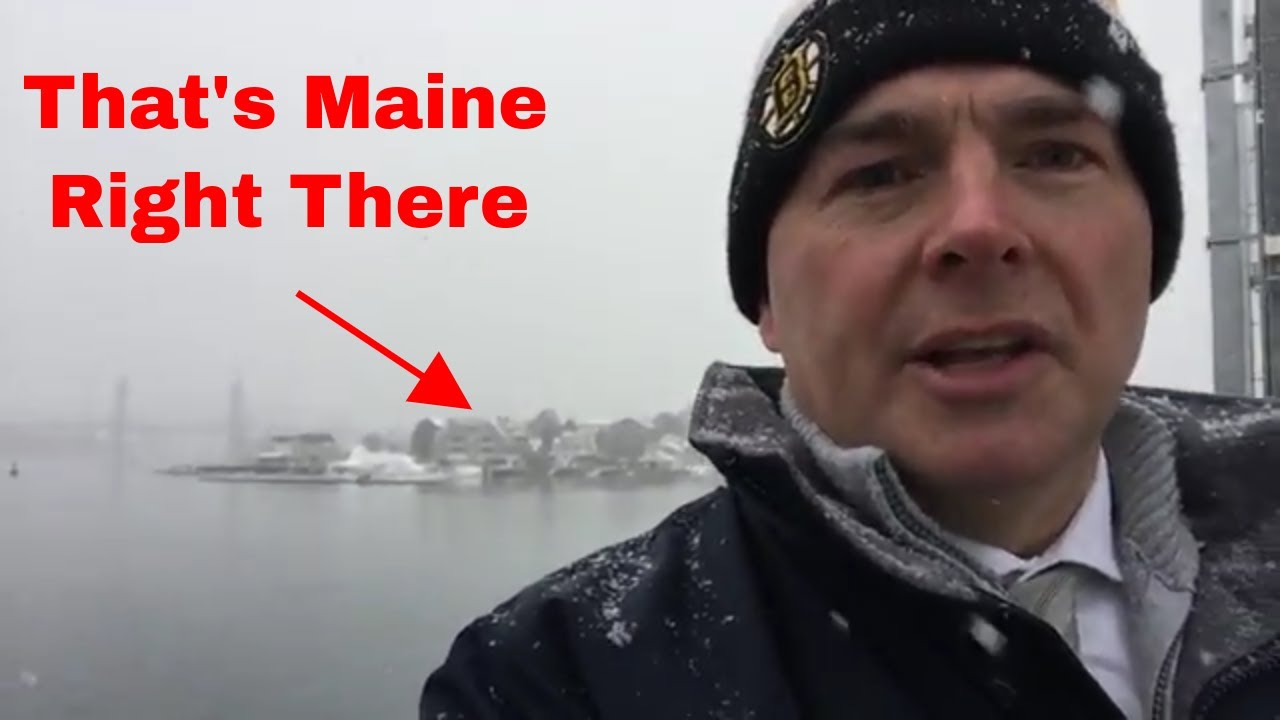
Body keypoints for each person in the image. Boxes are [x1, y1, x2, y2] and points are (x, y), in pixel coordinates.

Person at [420, 1, 1280, 718]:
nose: (978, 228)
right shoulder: (557, 685)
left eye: (1055, 156)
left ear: (1150, 253)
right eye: (878, 175)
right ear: (767, 300)